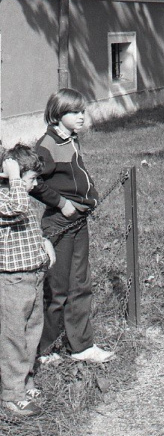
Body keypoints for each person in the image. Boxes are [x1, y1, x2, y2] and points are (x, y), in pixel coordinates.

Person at [31, 89, 113, 364]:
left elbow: (77, 176)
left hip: (78, 221)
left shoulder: (71, 139)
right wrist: (61, 203)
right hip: (59, 223)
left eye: (82, 111)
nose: (81, 116)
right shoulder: (48, 144)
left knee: (80, 283)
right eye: (75, 112)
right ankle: (45, 348)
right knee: (57, 288)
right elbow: (32, 181)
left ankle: (81, 345)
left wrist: (88, 199)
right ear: (57, 114)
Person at [0, 145, 56, 417]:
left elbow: (27, 227)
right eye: (31, 179)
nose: (35, 185)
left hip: (32, 275)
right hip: (12, 280)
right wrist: (14, 179)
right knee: (13, 337)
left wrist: (44, 244)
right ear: (13, 175)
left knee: (32, 332)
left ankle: (26, 381)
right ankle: (12, 393)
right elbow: (17, 208)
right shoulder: (6, 197)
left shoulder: (19, 194)